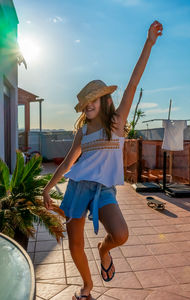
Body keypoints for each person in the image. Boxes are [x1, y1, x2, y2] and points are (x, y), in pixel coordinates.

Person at [43, 20, 163, 300]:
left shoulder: (117, 123)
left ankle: (103, 250)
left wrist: (148, 43)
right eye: (86, 101)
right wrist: (49, 187)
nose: (89, 104)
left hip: (104, 191)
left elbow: (134, 81)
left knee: (120, 235)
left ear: (105, 100)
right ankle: (86, 287)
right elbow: (67, 164)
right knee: (74, 244)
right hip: (77, 188)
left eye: (94, 99)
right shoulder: (82, 131)